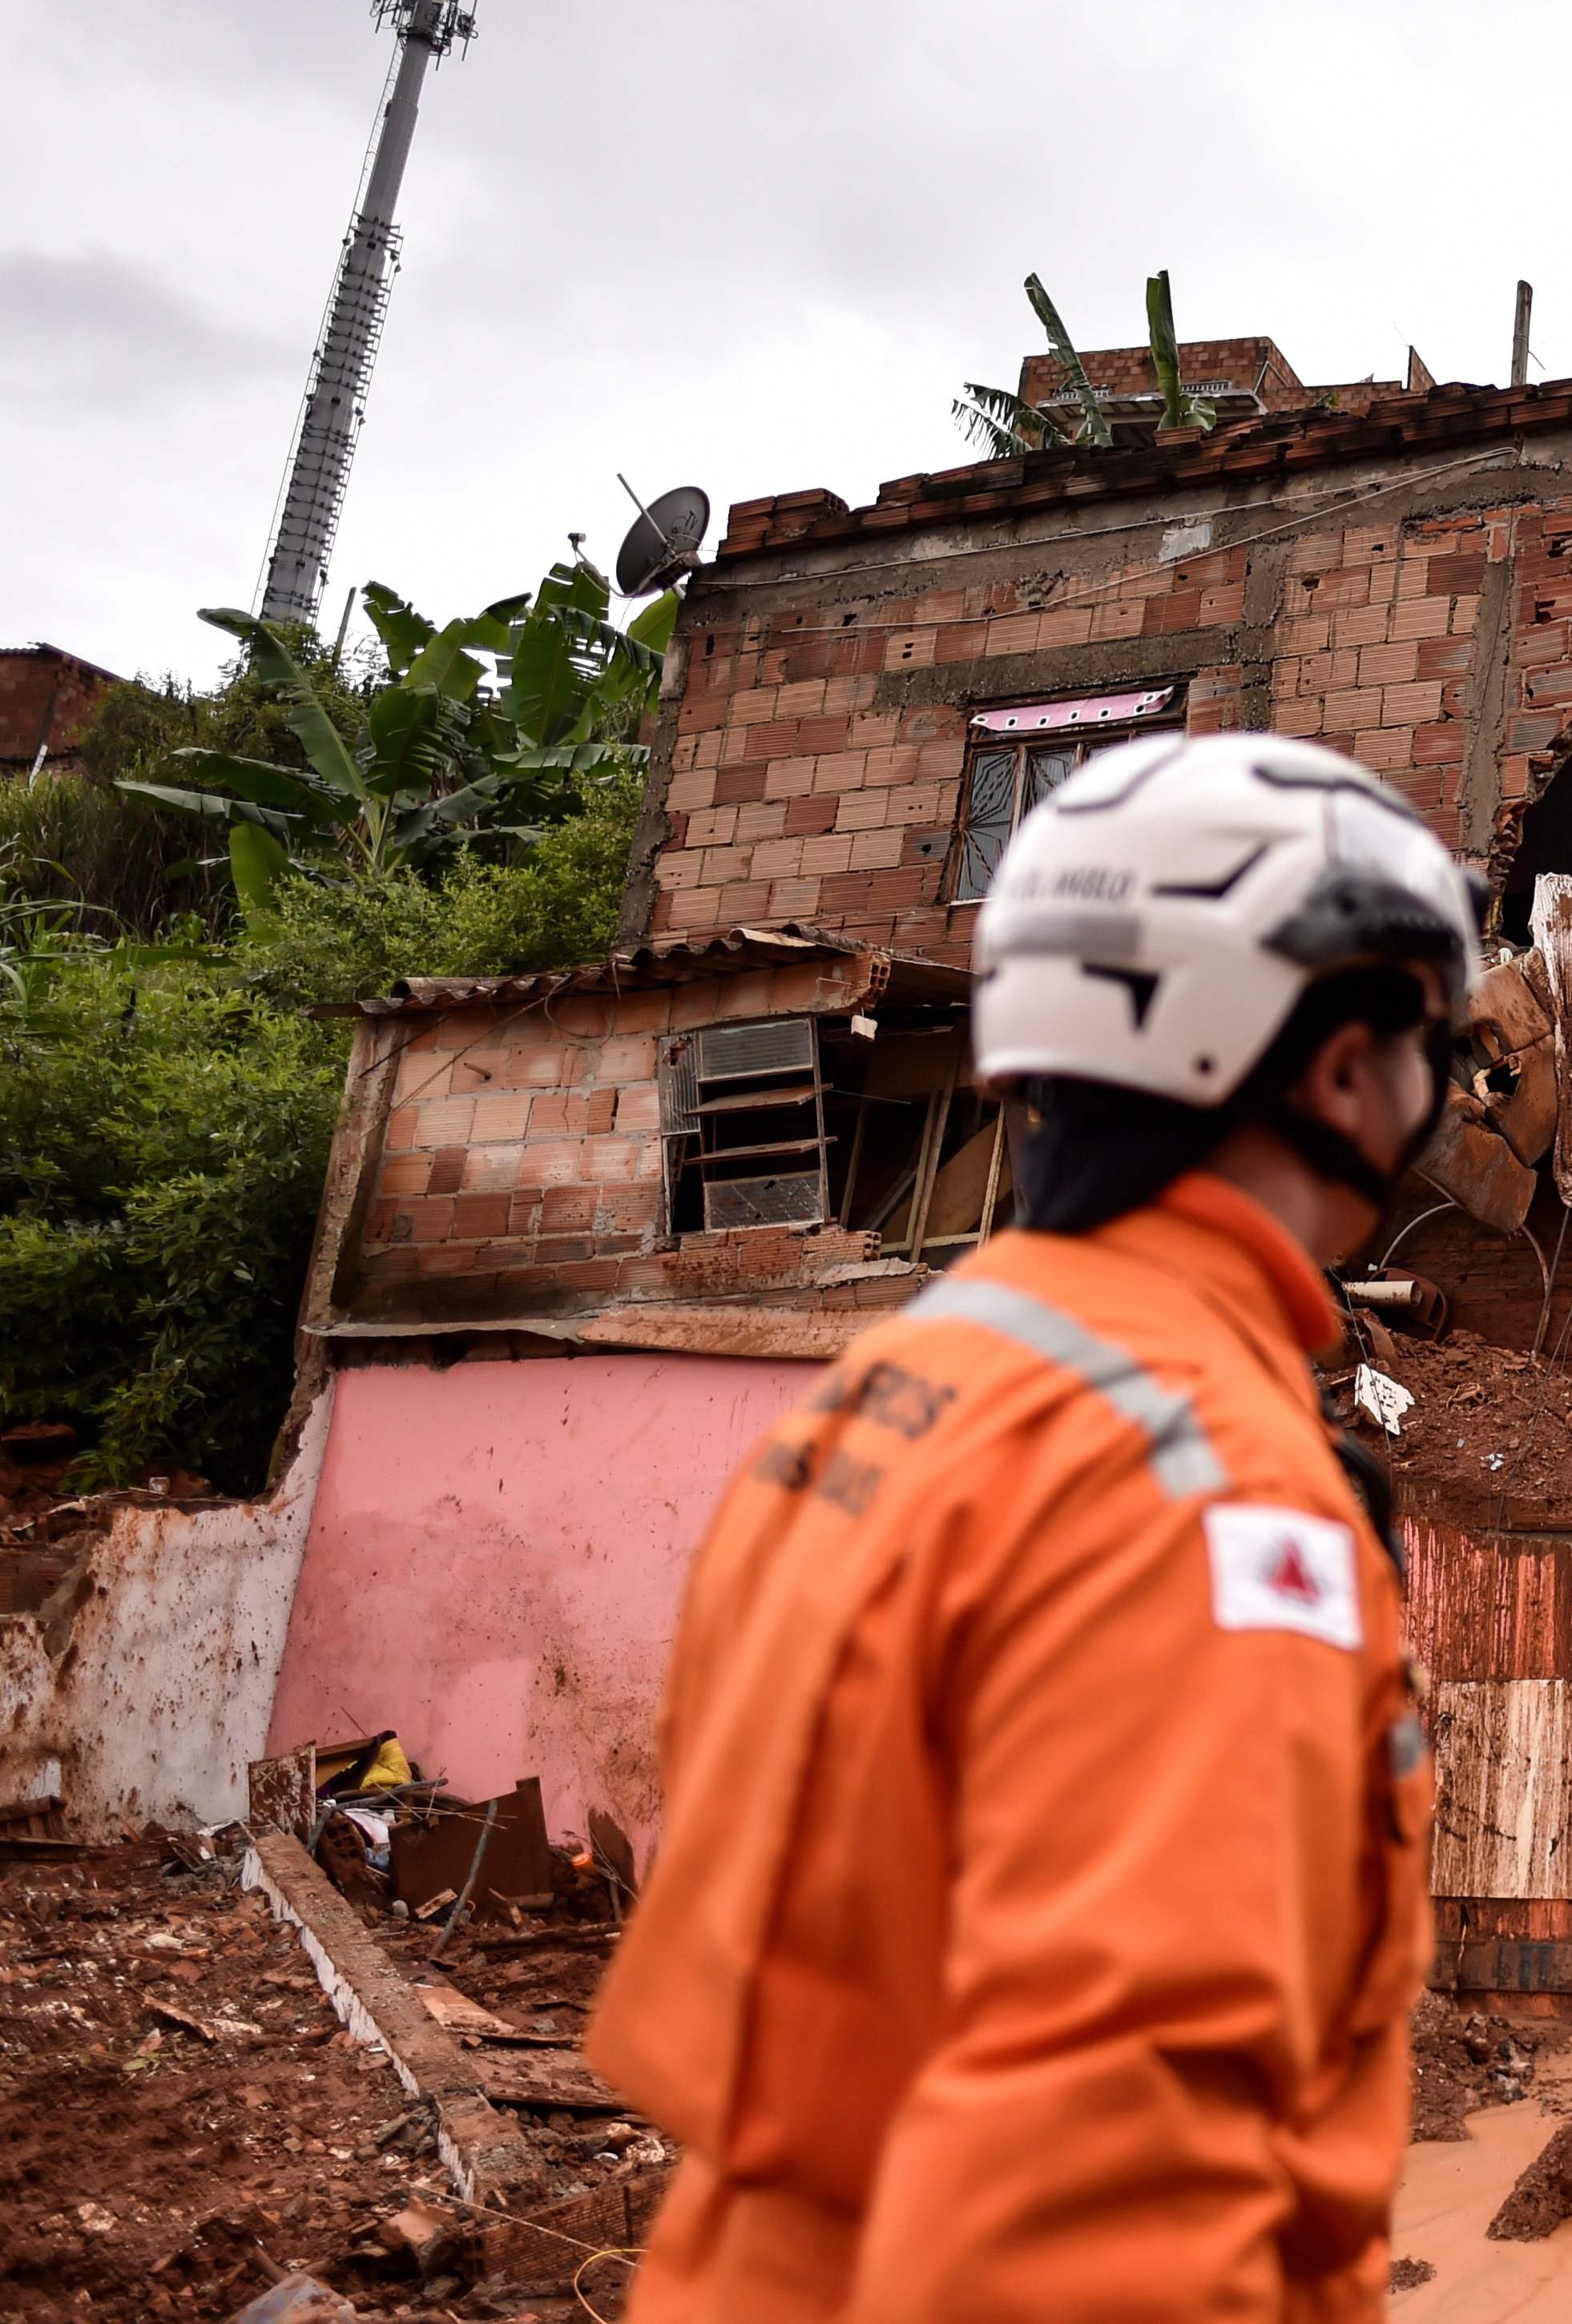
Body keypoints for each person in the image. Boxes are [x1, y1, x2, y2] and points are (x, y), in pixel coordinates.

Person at [588, 734, 1477, 2324]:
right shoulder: (1215, 1486)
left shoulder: (895, 1388)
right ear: (1341, 1065)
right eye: (1433, 1037)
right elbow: (1098, 2171)